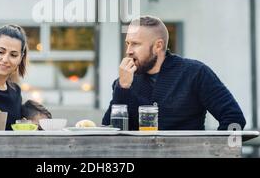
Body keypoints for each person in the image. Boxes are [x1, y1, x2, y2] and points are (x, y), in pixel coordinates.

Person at [102, 15, 246, 131]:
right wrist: (123, 88)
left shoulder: (195, 73)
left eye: (136, 44)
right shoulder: (124, 81)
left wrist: (215, 151)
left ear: (158, 45)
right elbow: (109, 130)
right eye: (128, 43)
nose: (129, 51)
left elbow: (234, 119)